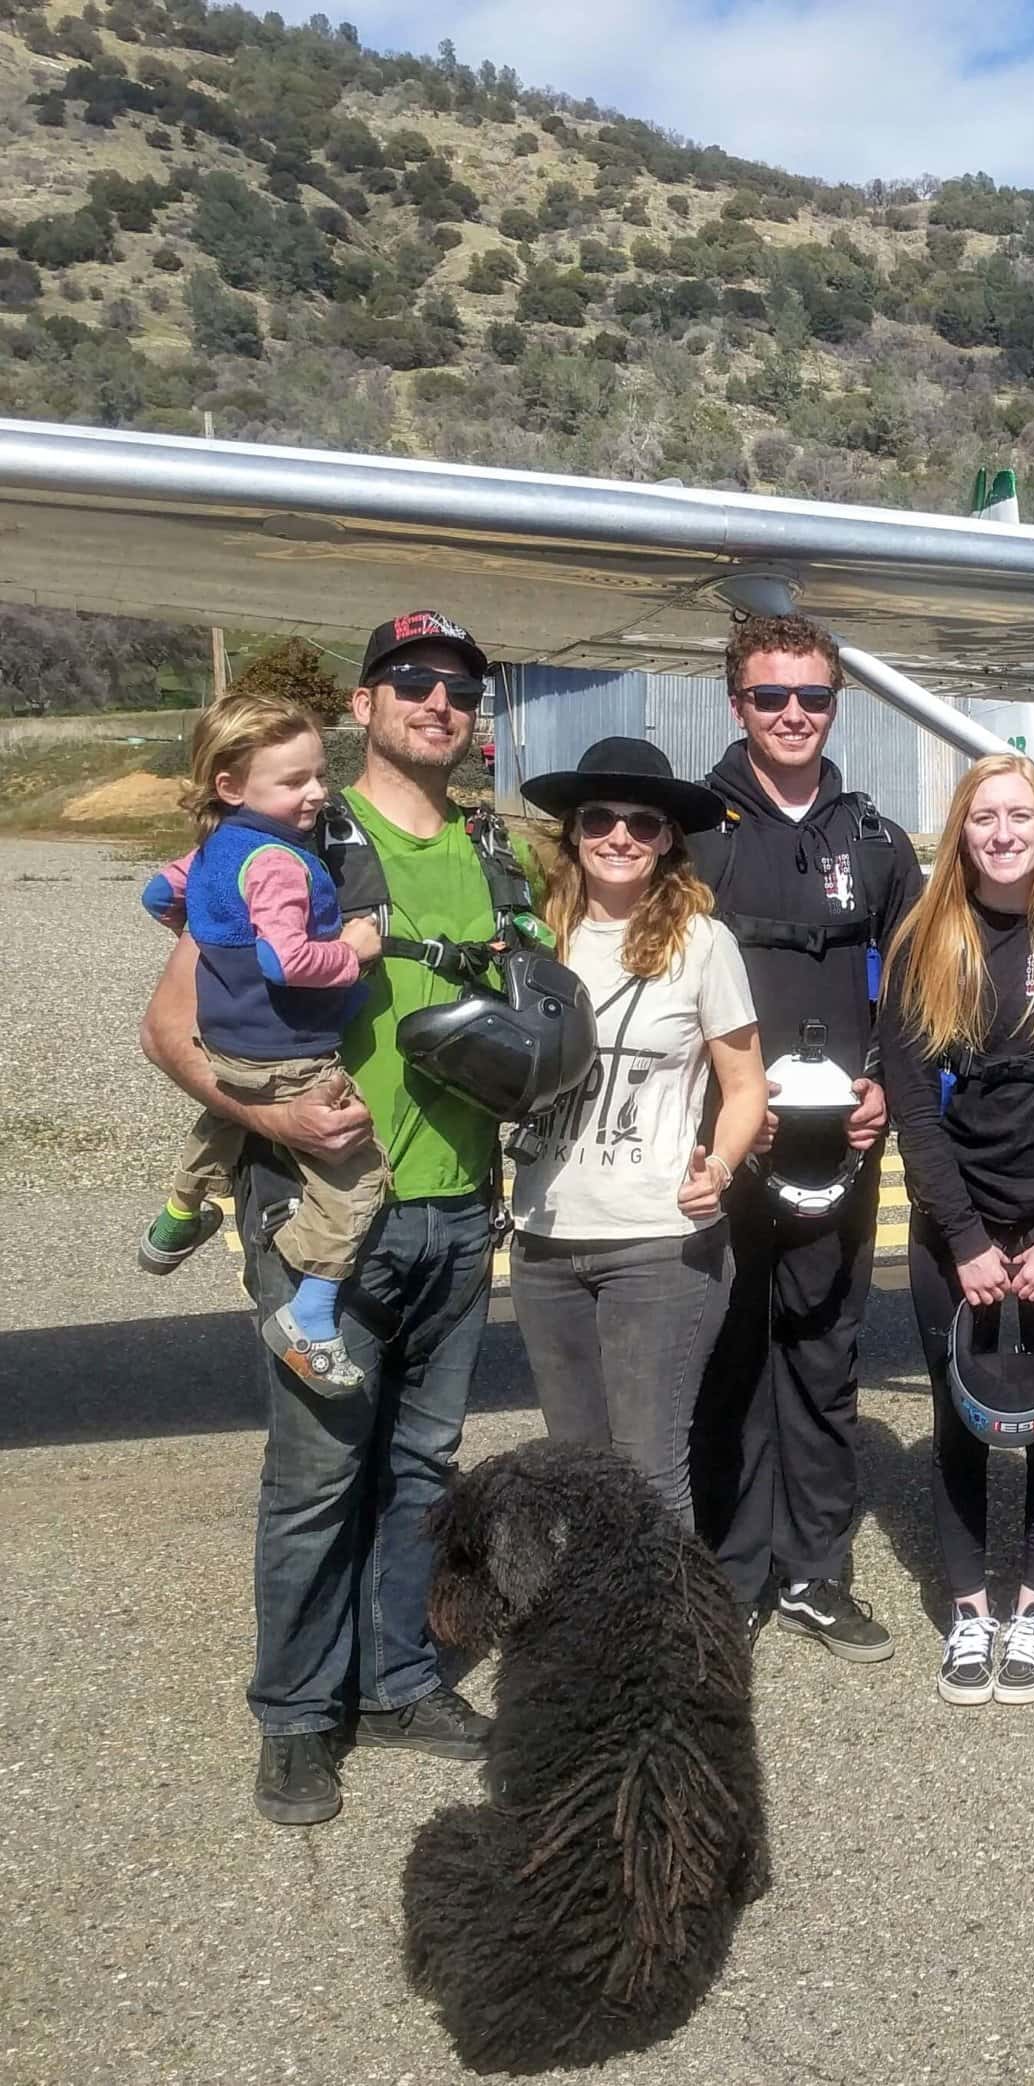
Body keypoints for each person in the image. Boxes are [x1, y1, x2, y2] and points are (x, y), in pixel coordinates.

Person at [141, 609, 530, 1827]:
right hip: (326, 1219)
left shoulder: (493, 850)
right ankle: (298, 1717)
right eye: (411, 681)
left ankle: (399, 1679)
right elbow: (169, 1028)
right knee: (317, 1477)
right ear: (364, 704)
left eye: (461, 688)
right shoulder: (298, 834)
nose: (439, 703)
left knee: (419, 1466)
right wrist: (273, 1124)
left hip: (461, 1212)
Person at [878, 754, 1034, 1707]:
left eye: (1020, 814)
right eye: (984, 817)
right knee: (961, 1420)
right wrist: (969, 1241)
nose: (1002, 832)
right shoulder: (922, 944)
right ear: (961, 831)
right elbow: (914, 1110)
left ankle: (1033, 1606)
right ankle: (971, 1614)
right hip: (960, 1230)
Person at [690, 614, 922, 1658]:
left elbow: (920, 994)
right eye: (771, 697)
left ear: (836, 705)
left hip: (840, 1146)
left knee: (825, 1357)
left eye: (813, 698)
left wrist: (885, 1089)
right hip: (724, 1142)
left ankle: (816, 1573)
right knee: (728, 1355)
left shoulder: (875, 840)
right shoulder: (691, 834)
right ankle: (730, 1573)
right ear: (736, 703)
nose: (793, 715)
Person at [508, 738, 765, 1528]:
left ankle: (669, 1648)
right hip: (543, 1238)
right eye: (600, 820)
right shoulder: (529, 938)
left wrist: (720, 1163)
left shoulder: (702, 945)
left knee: (650, 1474)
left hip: (658, 1242)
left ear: (668, 843)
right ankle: (592, 1640)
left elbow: (746, 1083)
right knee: (574, 1475)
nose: (619, 837)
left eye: (643, 825)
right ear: (573, 833)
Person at [138, 693, 386, 1391]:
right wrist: (352, 949)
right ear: (230, 785)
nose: (316, 792)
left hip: (228, 1042)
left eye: (317, 774)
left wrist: (221, 950)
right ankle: (310, 1312)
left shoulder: (215, 848)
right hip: (289, 1050)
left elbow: (158, 897)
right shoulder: (280, 863)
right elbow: (288, 962)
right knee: (359, 1176)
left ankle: (179, 1214)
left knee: (224, 1110)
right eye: (294, 781)